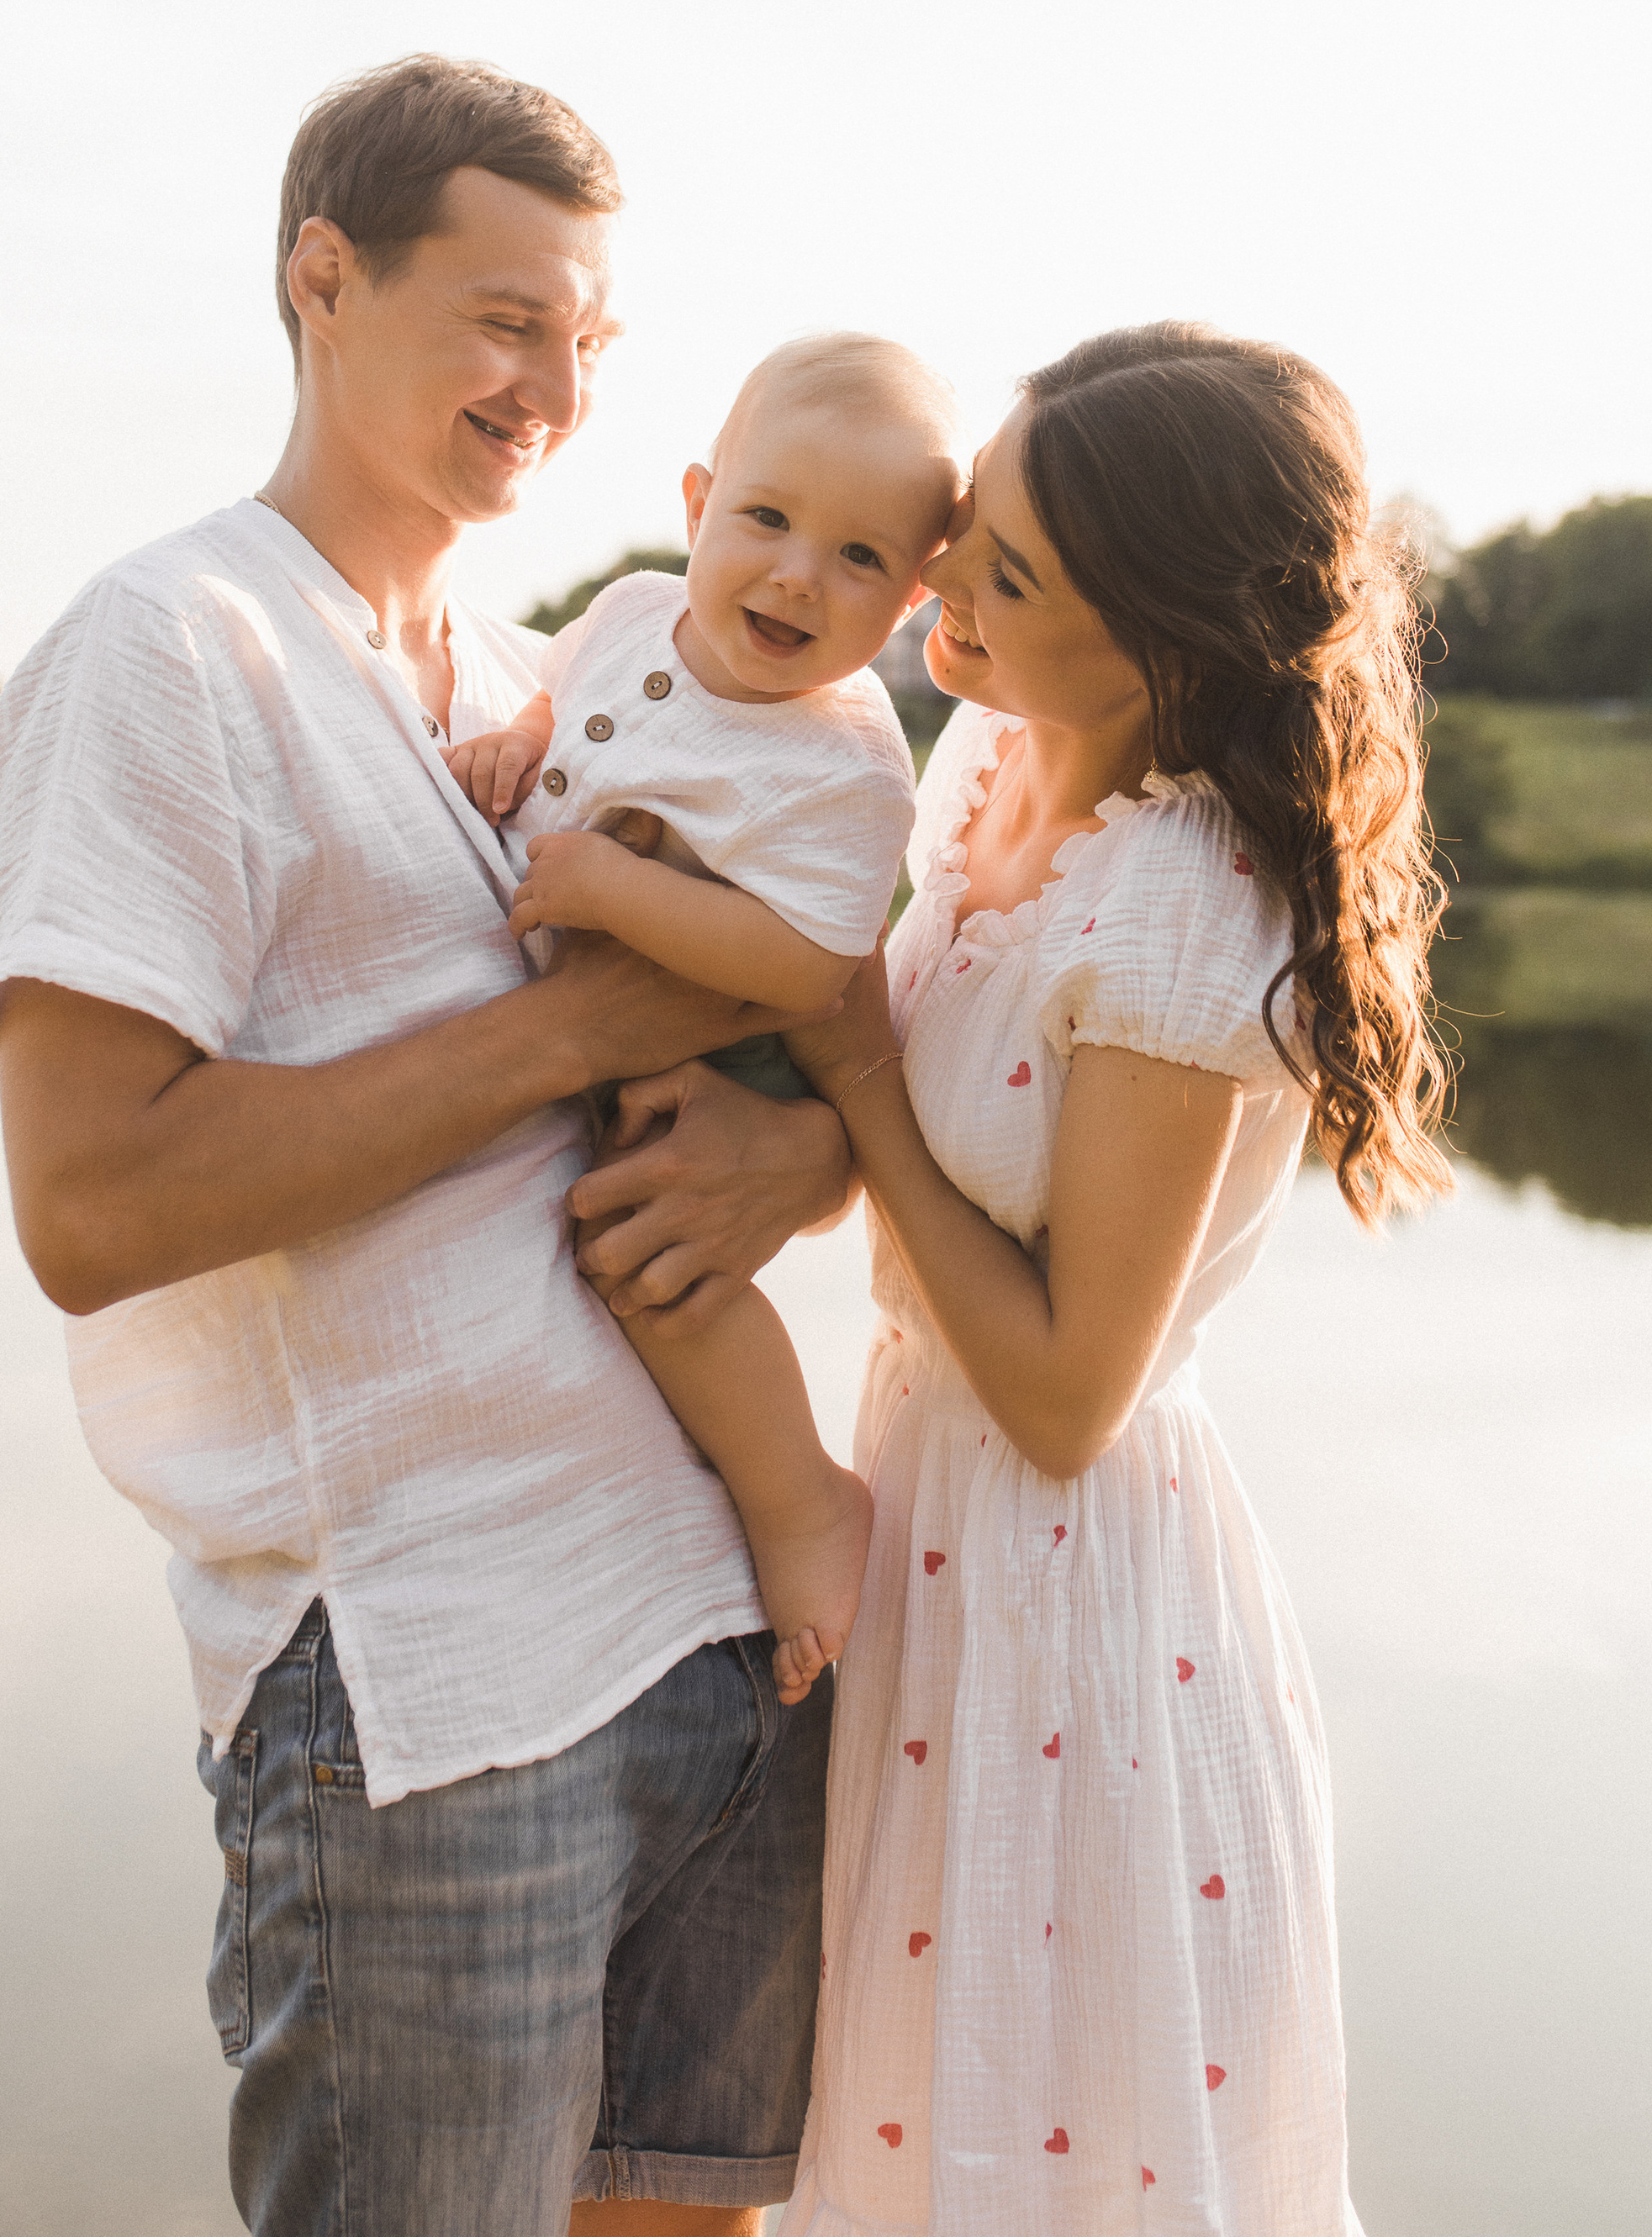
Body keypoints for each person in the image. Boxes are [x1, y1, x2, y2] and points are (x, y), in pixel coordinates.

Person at [0, 55, 858, 2237]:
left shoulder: (549, 669)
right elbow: (91, 1209)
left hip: (730, 1641)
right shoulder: (163, 652)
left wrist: (804, 1166)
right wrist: (571, 1021)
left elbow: (808, 999)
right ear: (322, 280)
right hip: (434, 1695)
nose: (549, 384)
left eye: (587, 339)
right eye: (502, 318)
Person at [576, 324, 1450, 2237]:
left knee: (1029, 2157)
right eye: (974, 522)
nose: (938, 578)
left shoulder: (1179, 904)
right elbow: (931, 1130)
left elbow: (1067, 1388)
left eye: (1008, 573)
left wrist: (850, 1084)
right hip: (920, 1526)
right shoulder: (983, 758)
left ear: (1158, 648)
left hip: (1066, 1588)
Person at [454, 332, 961, 1697]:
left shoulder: (847, 764)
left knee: (659, 1270)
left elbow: (804, 962)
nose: (798, 573)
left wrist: (613, 887)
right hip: (594, 1010)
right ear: (697, 508)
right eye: (767, 520)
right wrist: (521, 737)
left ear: (913, 598)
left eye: (860, 559)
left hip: (727, 1058)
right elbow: (572, 698)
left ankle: (802, 1502)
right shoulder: (628, 610)